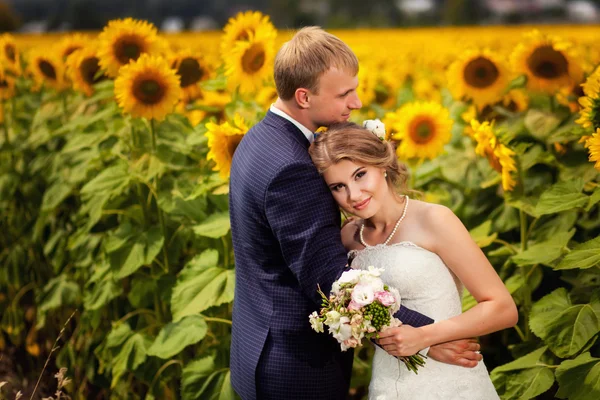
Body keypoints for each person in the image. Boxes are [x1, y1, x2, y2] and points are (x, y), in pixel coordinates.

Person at [229, 26, 483, 400]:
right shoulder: (292, 168)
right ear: (303, 96)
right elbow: (328, 280)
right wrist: (427, 336)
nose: (357, 103)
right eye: (344, 94)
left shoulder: (259, 139)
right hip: (297, 368)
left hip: (258, 344)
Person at [308, 121, 519, 399]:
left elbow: (503, 308)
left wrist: (425, 338)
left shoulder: (434, 220)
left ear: (381, 164)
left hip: (449, 382)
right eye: (338, 186)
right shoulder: (348, 237)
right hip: (387, 382)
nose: (353, 195)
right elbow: (361, 315)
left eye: (360, 175)